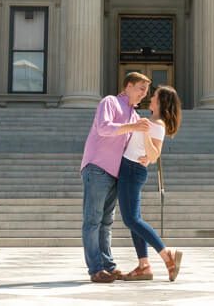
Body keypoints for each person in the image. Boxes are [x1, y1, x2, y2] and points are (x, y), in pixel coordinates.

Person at [80, 72, 152, 284]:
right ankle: (95, 269)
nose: (144, 94)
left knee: (106, 222)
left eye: (146, 90)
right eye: (141, 88)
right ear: (128, 86)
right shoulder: (110, 102)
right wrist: (134, 127)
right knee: (93, 220)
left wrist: (147, 155)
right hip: (97, 167)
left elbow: (133, 144)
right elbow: (104, 128)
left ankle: (108, 266)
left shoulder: (135, 116)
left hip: (116, 172)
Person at [117, 84, 184, 282]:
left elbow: (154, 155)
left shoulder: (158, 125)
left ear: (161, 102)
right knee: (134, 220)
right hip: (129, 168)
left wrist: (145, 133)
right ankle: (144, 266)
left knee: (132, 220)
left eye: (154, 96)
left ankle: (167, 257)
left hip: (132, 170)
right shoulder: (150, 120)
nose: (151, 98)